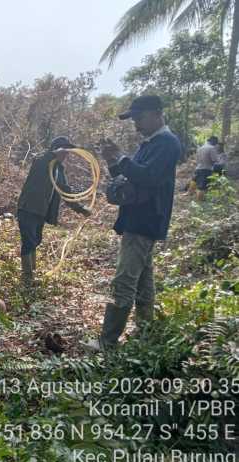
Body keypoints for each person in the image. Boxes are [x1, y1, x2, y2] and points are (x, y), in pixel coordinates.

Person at [91, 95, 182, 350]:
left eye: (139, 118)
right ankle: (146, 334)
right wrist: (112, 159)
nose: (136, 124)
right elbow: (127, 177)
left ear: (157, 113)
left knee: (124, 281)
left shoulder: (167, 144)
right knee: (144, 281)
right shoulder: (150, 144)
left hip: (145, 220)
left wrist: (121, 158)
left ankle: (107, 342)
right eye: (134, 119)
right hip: (138, 219)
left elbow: (148, 177)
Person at [16, 136, 91, 288]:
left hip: (41, 212)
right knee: (29, 241)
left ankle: (32, 274)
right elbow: (40, 160)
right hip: (27, 208)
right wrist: (53, 154)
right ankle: (27, 277)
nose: (66, 155)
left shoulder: (59, 170)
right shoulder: (42, 162)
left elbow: (66, 192)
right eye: (64, 151)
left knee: (36, 240)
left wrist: (81, 209)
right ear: (56, 150)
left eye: (67, 152)